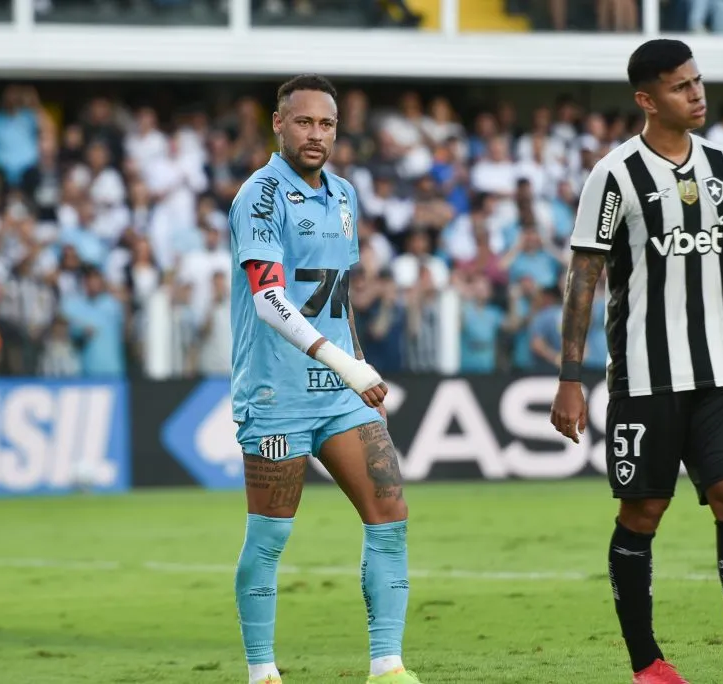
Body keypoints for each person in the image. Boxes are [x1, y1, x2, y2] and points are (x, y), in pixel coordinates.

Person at [549, 39, 723, 684]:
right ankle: (647, 663)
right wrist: (569, 377)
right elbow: (583, 279)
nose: (697, 94)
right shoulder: (614, 174)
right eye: (682, 86)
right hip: (644, 376)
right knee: (642, 514)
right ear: (646, 99)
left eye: (698, 81)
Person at [228, 74, 420, 684]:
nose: (317, 134)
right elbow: (267, 297)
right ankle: (262, 672)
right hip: (275, 394)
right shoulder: (258, 197)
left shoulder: (342, 195)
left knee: (389, 511)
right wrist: (346, 363)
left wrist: (356, 368)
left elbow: (339, 302)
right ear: (278, 125)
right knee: (270, 537)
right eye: (305, 122)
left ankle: (388, 667)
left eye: (328, 124)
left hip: (342, 394)